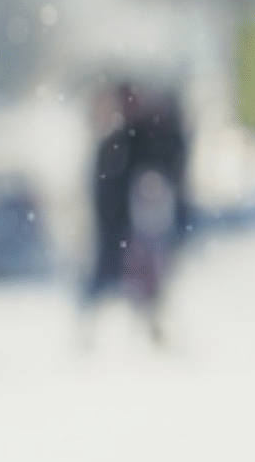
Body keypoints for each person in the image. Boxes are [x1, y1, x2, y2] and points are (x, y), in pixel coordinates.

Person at [80, 79, 189, 344]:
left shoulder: (132, 137)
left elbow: (166, 168)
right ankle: (92, 330)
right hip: (120, 222)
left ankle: (148, 327)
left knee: (140, 277)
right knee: (113, 276)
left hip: (133, 222)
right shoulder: (120, 139)